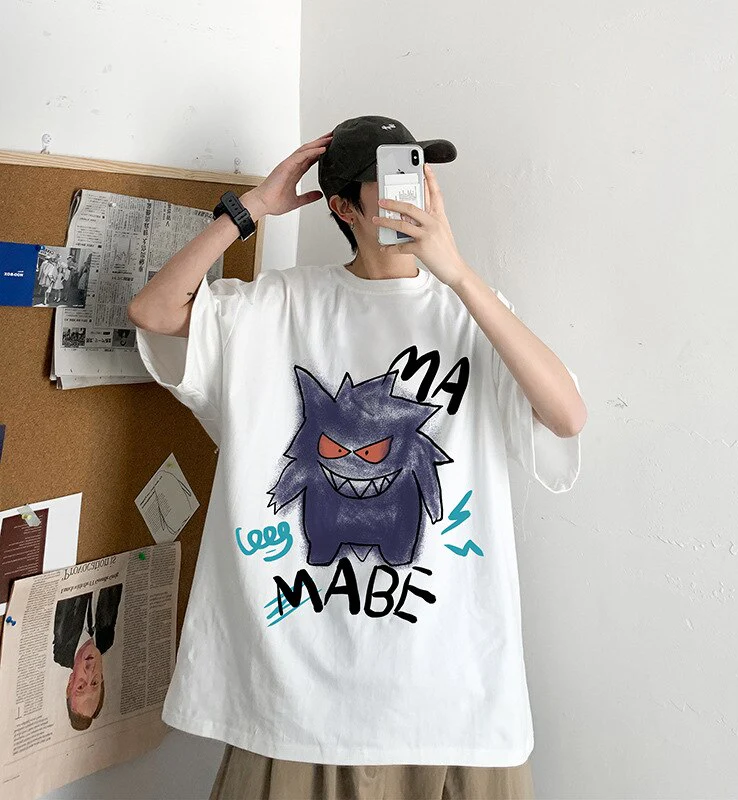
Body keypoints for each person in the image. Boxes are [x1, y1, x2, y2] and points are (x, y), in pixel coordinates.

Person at [127, 115, 587, 800]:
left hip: (451, 701)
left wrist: (458, 275)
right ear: (343, 207)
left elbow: (566, 416)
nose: (412, 191)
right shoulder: (278, 306)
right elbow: (155, 311)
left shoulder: (470, 313)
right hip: (296, 703)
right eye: (390, 178)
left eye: (418, 171)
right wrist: (251, 208)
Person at [52, 584, 123, 730]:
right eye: (95, 683)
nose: (90, 671)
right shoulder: (107, 639)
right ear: (102, 677)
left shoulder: (61, 646)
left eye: (80, 686)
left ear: (70, 685)